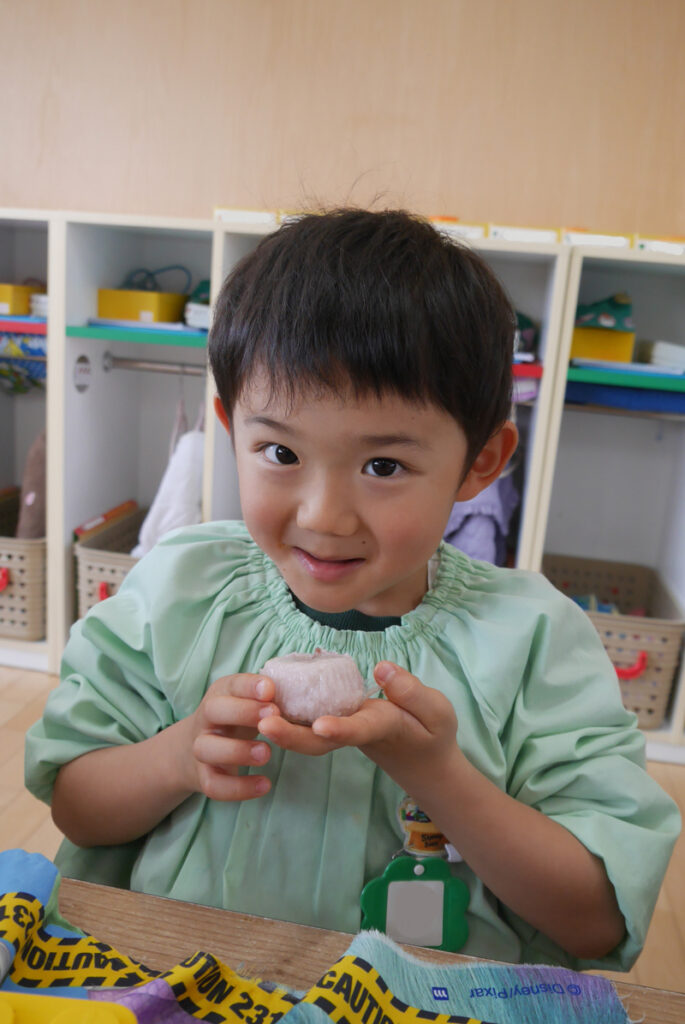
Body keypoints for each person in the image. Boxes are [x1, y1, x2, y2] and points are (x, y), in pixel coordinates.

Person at [25, 208, 679, 971]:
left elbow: (595, 918)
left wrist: (438, 775)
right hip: (181, 987)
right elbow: (76, 806)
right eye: (279, 452)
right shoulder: (179, 590)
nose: (322, 517)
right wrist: (178, 755)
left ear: (480, 462)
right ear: (230, 428)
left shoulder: (533, 640)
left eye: (382, 467)